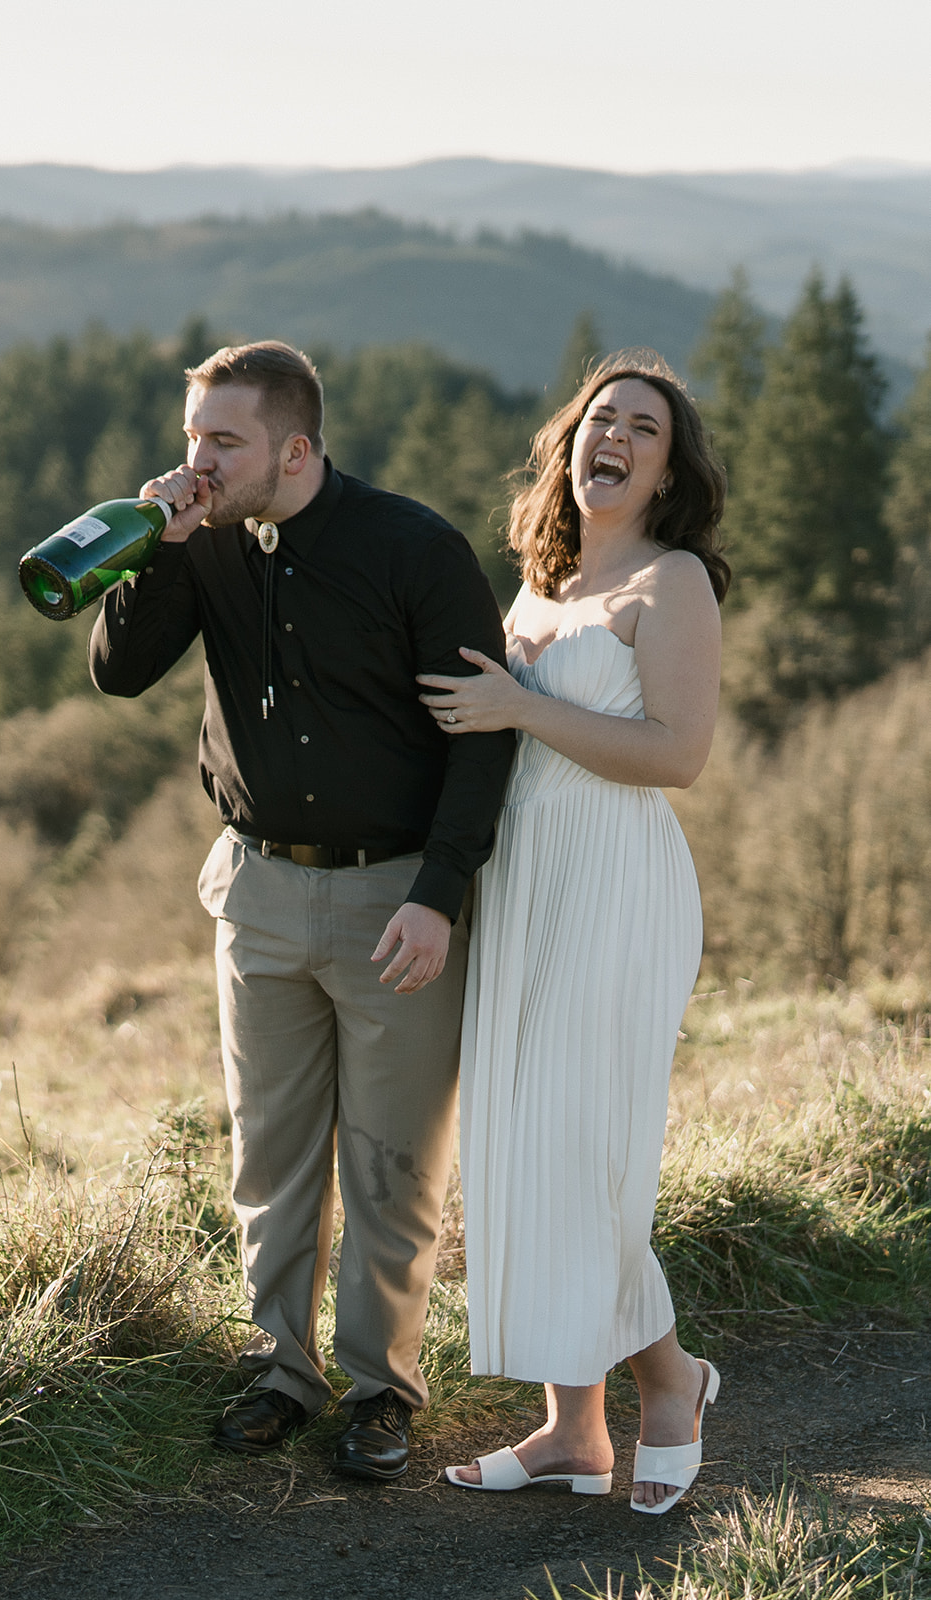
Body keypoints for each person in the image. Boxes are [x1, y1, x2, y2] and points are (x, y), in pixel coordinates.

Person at [89, 340, 515, 1480]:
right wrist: (161, 550)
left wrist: (439, 897)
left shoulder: (413, 548)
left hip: (395, 897)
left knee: (390, 1161)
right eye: (192, 439)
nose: (198, 462)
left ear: (295, 445)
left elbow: (487, 735)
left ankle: (382, 1390)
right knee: (270, 1153)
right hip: (259, 889)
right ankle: (282, 1370)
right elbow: (119, 671)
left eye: (222, 443)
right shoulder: (198, 540)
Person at [418, 350, 730, 1514]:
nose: (617, 438)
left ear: (665, 468)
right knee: (521, 1146)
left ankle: (672, 1379)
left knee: (585, 1153)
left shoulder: (673, 582)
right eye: (602, 419)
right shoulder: (537, 582)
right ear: (568, 444)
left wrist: (519, 705)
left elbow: (677, 756)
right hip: (525, 878)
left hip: (615, 880)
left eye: (643, 429)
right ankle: (571, 1431)